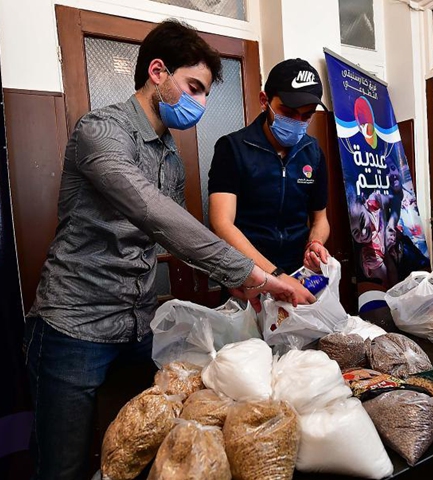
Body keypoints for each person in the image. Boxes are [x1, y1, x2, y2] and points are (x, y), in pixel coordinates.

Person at [23, 20, 302, 480]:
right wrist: (254, 272)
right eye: (194, 87)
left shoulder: (169, 156)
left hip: (135, 325)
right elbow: (153, 212)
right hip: (73, 327)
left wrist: (237, 284)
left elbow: (176, 239)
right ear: (157, 71)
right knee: (63, 467)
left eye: (207, 93)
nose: (202, 103)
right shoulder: (100, 131)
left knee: (142, 448)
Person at [208, 59, 331, 304]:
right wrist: (274, 275)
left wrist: (315, 243)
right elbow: (222, 224)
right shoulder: (233, 148)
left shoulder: (312, 152)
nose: (297, 122)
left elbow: (320, 218)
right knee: (248, 342)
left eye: (306, 116)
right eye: (287, 112)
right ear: (265, 101)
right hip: (246, 275)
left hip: (297, 275)